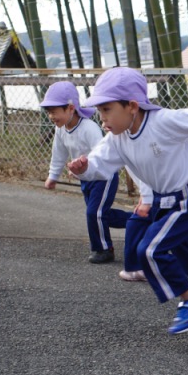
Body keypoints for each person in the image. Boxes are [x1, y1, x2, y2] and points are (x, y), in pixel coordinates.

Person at [66, 67, 188, 337]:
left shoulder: (164, 121)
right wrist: (83, 169)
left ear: (132, 106)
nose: (102, 118)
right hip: (164, 204)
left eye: (107, 109)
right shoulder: (116, 139)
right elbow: (98, 164)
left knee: (150, 250)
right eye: (100, 111)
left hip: (187, 198)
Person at [42, 81, 129, 264]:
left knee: (94, 213)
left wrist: (87, 168)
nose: (51, 116)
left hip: (103, 176)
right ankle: (141, 220)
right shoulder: (61, 130)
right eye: (48, 112)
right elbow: (58, 153)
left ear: (70, 108)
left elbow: (102, 153)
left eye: (54, 111)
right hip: (85, 178)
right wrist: (53, 176)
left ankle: (103, 249)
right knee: (100, 214)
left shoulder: (89, 128)